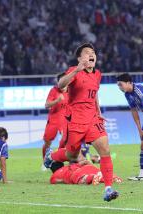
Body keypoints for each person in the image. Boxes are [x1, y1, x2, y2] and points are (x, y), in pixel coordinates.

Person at [44, 43, 119, 202]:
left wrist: (99, 112)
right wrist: (77, 70)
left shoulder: (98, 74)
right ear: (80, 58)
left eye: (93, 52)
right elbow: (61, 84)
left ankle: (108, 188)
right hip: (76, 121)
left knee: (105, 149)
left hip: (92, 119)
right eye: (87, 53)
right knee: (71, 154)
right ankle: (52, 156)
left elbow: (95, 94)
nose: (92, 55)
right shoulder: (74, 70)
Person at [42, 72, 69, 158]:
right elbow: (46, 105)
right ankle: (45, 162)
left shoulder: (72, 91)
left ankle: (61, 159)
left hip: (65, 121)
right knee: (47, 143)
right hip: (53, 120)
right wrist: (57, 100)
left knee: (66, 140)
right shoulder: (54, 90)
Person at [49, 155, 122, 185]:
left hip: (75, 174)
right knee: (99, 174)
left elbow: (58, 181)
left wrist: (64, 179)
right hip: (86, 168)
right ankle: (112, 177)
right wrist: (93, 167)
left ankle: (93, 176)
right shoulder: (70, 166)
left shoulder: (54, 176)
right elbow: (86, 162)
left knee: (83, 179)